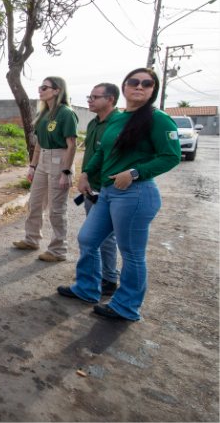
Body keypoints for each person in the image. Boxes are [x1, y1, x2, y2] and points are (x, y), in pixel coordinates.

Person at [57, 67, 181, 321]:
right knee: (89, 239)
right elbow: (103, 151)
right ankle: (88, 288)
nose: (139, 86)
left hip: (135, 194)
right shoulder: (118, 118)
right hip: (108, 193)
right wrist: (85, 174)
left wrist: (135, 173)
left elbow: (171, 157)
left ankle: (126, 305)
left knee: (132, 253)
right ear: (124, 87)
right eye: (134, 82)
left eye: (147, 84)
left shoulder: (158, 119)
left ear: (153, 90)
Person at [13, 77, 78, 262]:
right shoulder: (43, 114)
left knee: (56, 209)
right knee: (35, 203)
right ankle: (31, 239)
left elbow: (72, 145)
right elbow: (39, 145)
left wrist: (66, 171)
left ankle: (58, 250)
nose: (40, 90)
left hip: (60, 159)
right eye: (40, 87)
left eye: (44, 87)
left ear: (57, 91)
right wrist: (32, 166)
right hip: (43, 160)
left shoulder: (66, 113)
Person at [82, 83, 121, 296]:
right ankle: (99, 276)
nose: (90, 100)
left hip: (108, 188)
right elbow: (92, 153)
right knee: (92, 237)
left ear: (110, 99)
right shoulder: (94, 123)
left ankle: (108, 278)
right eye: (90, 96)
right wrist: (84, 175)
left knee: (105, 237)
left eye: (95, 97)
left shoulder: (118, 124)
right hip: (92, 186)